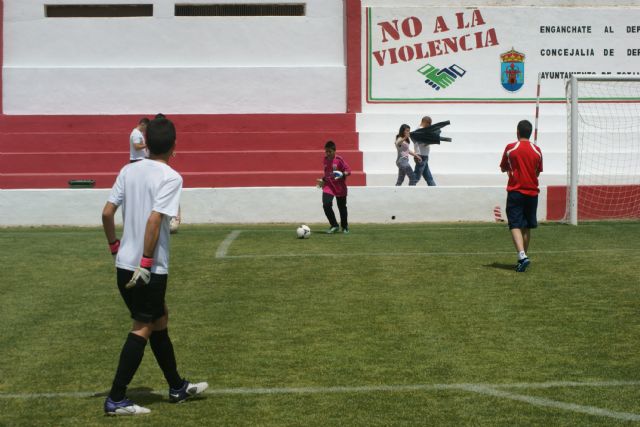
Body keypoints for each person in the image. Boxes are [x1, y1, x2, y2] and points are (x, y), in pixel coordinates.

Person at [101, 118, 208, 415]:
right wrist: (146, 262)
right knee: (143, 325)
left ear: (145, 143)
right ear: (174, 146)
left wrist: (114, 247)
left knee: (159, 318)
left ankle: (177, 386)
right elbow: (154, 219)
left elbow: (107, 213)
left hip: (124, 263)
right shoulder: (171, 177)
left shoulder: (128, 170)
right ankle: (116, 399)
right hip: (148, 268)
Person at [500, 119, 543, 272]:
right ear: (530, 133)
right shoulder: (537, 150)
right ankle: (523, 258)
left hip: (516, 191)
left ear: (517, 132)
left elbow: (503, 167)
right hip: (532, 192)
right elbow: (538, 172)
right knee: (526, 227)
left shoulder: (511, 148)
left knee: (515, 224)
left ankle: (522, 256)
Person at [318, 140, 351, 234]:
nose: (327, 153)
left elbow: (349, 171)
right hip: (328, 186)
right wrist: (323, 180)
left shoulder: (339, 160)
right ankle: (334, 225)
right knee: (326, 204)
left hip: (340, 187)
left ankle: (344, 227)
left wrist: (342, 174)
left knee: (342, 207)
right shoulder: (325, 160)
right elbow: (328, 173)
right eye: (326, 151)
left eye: (329, 151)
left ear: (334, 151)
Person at [412, 116, 437, 186]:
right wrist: (432, 141)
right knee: (417, 176)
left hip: (423, 156)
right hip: (421, 156)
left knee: (428, 177)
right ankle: (410, 188)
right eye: (429, 123)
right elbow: (422, 142)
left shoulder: (420, 130)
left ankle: (434, 189)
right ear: (425, 122)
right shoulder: (420, 130)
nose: (430, 125)